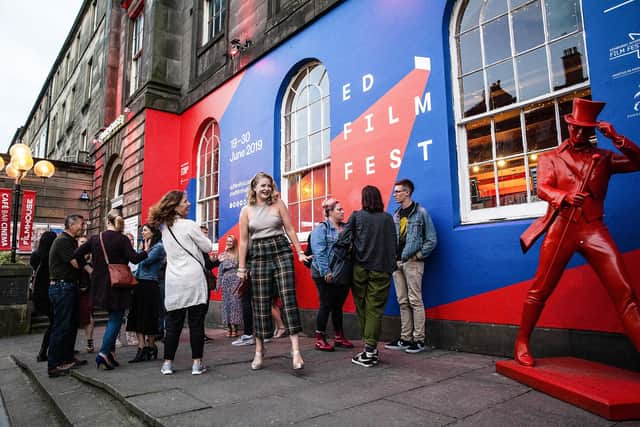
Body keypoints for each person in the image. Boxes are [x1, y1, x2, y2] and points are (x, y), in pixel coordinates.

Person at [516, 98, 640, 367]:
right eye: (577, 128)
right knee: (540, 289)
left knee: (626, 293)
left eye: (588, 129)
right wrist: (565, 197)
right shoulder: (549, 158)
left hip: (593, 228)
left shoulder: (604, 158)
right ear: (569, 126)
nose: (582, 134)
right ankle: (522, 340)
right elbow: (543, 188)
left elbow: (638, 162)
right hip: (562, 228)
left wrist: (617, 138)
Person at [237, 172, 309, 371]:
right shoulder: (246, 211)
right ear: (254, 188)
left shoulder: (278, 204)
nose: (266, 189)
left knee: (288, 297)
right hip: (258, 254)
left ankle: (296, 351)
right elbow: (243, 241)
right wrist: (242, 267)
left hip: (281, 250)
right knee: (260, 301)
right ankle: (259, 351)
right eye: (262, 186)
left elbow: (290, 229)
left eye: (269, 185)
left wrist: (300, 252)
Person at [149, 190, 214, 375]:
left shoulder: (164, 228)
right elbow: (208, 247)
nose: (189, 203)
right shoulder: (189, 225)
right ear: (175, 205)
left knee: (173, 324)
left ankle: (167, 364)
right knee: (196, 323)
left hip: (174, 280)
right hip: (193, 279)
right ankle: (196, 364)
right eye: (185, 201)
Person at [74, 209, 149, 371]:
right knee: (116, 318)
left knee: (112, 318)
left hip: (99, 285)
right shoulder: (122, 239)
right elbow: (134, 258)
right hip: (118, 285)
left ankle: (110, 356)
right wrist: (146, 251)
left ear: (107, 222)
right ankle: (103, 353)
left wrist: (88, 268)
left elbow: (77, 254)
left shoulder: (95, 238)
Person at [336, 185, 397, 368]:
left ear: (364, 199)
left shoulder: (357, 216)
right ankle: (370, 349)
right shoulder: (387, 218)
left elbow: (343, 240)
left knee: (362, 307)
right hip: (382, 269)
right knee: (375, 309)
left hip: (360, 268)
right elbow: (395, 244)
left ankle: (369, 350)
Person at [385, 179, 437, 354]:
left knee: (415, 300)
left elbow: (431, 240)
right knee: (402, 301)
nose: (395, 194)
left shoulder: (421, 213)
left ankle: (419, 340)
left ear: (407, 193)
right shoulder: (396, 215)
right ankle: (405, 338)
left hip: (413, 262)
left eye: (398, 191)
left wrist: (418, 256)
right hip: (397, 263)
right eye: (394, 192)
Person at [310, 198, 354, 351]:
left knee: (338, 306)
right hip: (324, 272)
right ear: (329, 212)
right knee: (326, 304)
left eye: (342, 209)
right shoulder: (321, 229)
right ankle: (319, 338)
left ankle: (339, 336)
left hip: (342, 273)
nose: (342, 212)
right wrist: (326, 271)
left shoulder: (346, 227)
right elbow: (319, 252)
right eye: (339, 209)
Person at [47, 215, 87, 377]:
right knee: (62, 326)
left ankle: (67, 358)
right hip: (62, 287)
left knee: (70, 325)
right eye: (80, 224)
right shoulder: (63, 241)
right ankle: (54, 365)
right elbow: (76, 264)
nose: (83, 227)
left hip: (69, 286)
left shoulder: (70, 241)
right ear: (71, 225)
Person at [127, 224, 166, 363]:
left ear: (153, 233)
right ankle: (141, 347)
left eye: (145, 230)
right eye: (142, 230)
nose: (142, 232)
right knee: (137, 316)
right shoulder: (144, 246)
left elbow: (144, 262)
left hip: (150, 284)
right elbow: (136, 261)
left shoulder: (159, 247)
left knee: (148, 317)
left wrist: (144, 251)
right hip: (139, 283)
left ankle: (150, 346)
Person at [31, 231, 58, 362]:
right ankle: (44, 351)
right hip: (49, 292)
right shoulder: (51, 257)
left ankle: (45, 351)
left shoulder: (36, 255)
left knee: (53, 322)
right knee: (54, 323)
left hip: (39, 292)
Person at [217, 235, 242, 338]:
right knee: (226, 305)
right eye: (227, 241)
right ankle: (228, 327)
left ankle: (235, 328)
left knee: (235, 305)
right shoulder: (222, 255)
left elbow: (241, 268)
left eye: (230, 241)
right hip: (226, 281)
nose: (228, 243)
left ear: (234, 243)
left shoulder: (239, 255)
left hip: (236, 281)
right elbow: (219, 272)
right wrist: (218, 285)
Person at [77, 236, 95, 354]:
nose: (84, 244)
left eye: (85, 243)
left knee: (89, 318)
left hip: (88, 291)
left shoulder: (93, 259)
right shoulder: (75, 258)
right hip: (76, 291)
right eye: (82, 242)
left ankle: (89, 341)